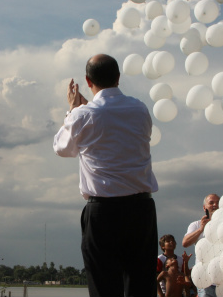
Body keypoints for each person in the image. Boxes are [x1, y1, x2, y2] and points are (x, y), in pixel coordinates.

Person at [53, 54, 159, 297]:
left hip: (103, 213)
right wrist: (84, 110)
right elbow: (110, 120)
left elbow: (62, 148)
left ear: (88, 81)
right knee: (141, 286)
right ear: (118, 78)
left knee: (104, 288)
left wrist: (72, 111)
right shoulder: (140, 109)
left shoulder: (83, 115)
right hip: (141, 210)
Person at [182, 194, 220, 297]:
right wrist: (201, 229)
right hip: (205, 279)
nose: (215, 205)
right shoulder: (196, 225)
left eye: (217, 202)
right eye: (211, 202)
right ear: (204, 207)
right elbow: (185, 243)